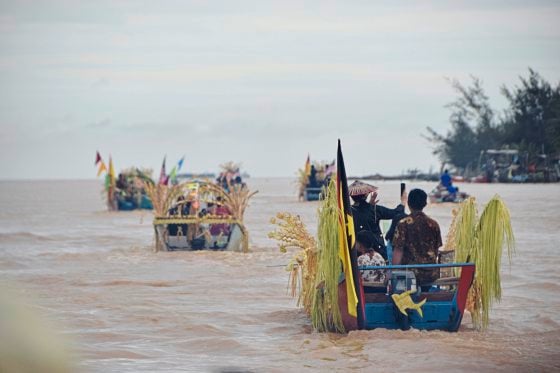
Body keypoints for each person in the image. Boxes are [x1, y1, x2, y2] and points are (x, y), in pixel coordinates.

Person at [392, 189, 442, 291]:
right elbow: (436, 250)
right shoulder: (433, 224)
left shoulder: (403, 224)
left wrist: (392, 272)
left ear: (408, 203)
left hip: (409, 275)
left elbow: (398, 251)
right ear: (425, 204)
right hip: (431, 274)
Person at [350, 181, 407, 261]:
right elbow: (395, 213)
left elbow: (361, 214)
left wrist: (370, 205)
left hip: (357, 251)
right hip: (377, 251)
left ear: (351, 196)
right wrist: (403, 202)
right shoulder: (375, 209)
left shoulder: (348, 212)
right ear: (366, 194)